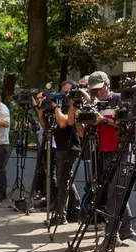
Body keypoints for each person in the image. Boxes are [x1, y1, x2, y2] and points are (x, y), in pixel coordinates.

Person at [88, 71, 136, 244]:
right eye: (95, 90)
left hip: (122, 150)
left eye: (101, 88)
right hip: (104, 150)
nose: (99, 93)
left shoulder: (119, 98)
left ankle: (112, 235)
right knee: (116, 190)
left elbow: (126, 125)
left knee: (113, 193)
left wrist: (103, 120)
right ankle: (125, 229)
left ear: (108, 84)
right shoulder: (95, 102)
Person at [41, 81, 81, 225]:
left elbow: (64, 123)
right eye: (63, 92)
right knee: (67, 180)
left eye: (67, 91)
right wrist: (40, 110)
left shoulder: (73, 105)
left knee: (63, 181)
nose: (64, 95)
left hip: (70, 147)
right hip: (61, 147)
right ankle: (75, 212)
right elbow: (45, 125)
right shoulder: (61, 105)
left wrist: (55, 106)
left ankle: (60, 215)